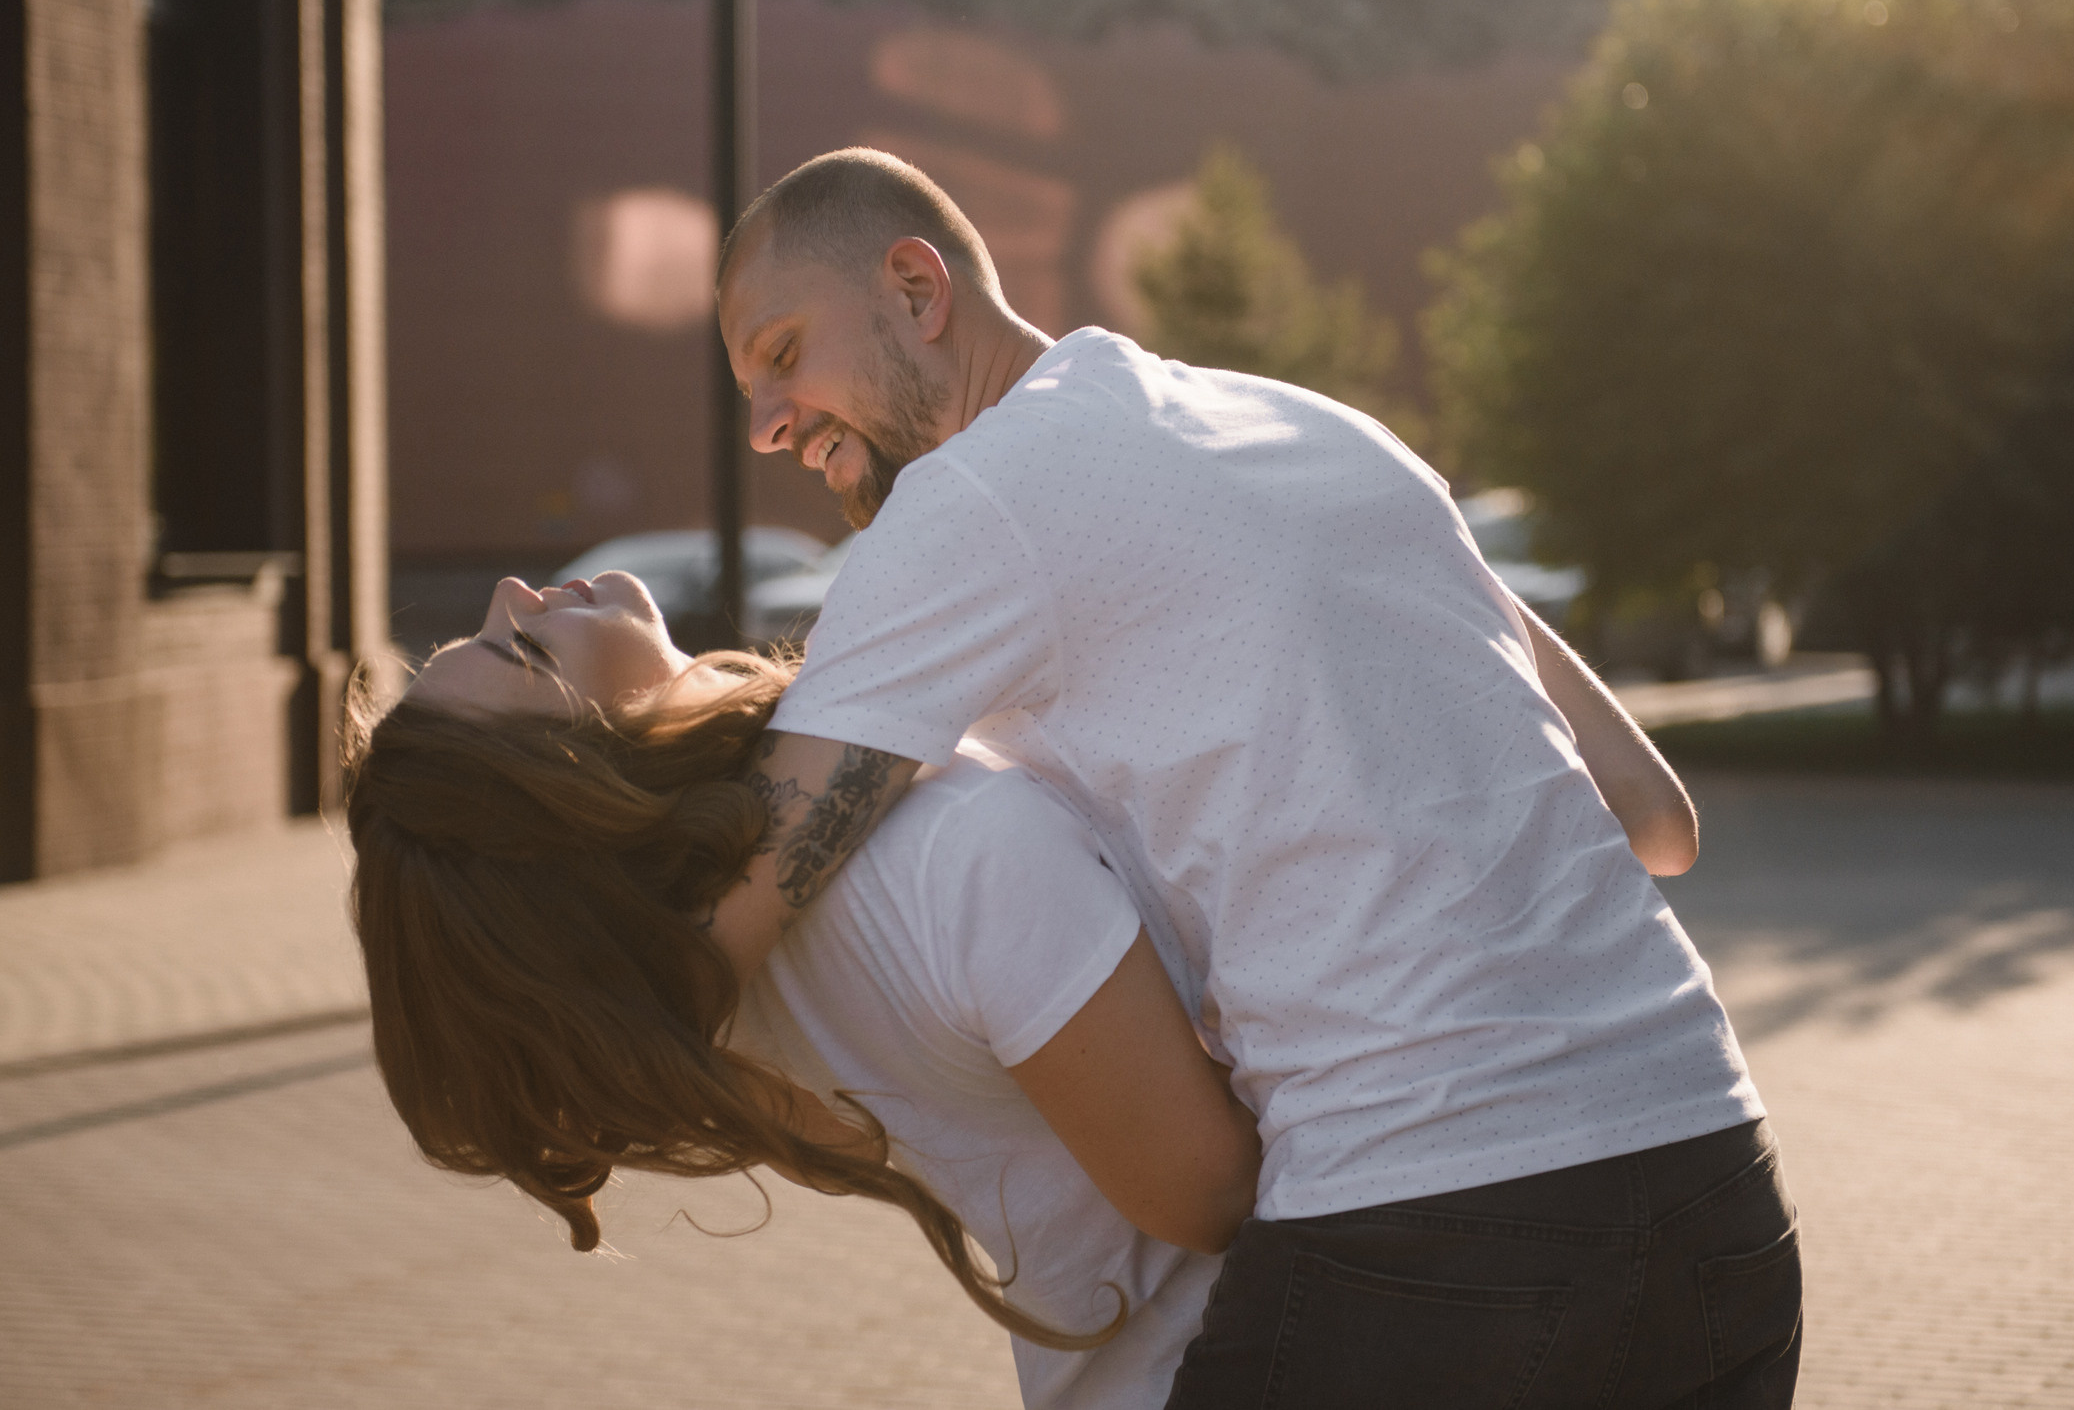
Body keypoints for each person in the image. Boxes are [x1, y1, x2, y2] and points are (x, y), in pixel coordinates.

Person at [704, 147, 1802, 1407]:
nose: (767, 423)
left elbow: (737, 900)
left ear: (916, 286)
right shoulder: (1325, 428)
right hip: (1716, 1185)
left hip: (1429, 1222)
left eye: (783, 353)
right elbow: (1654, 817)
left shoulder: (968, 501)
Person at [343, 570, 1260, 1409]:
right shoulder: (952, 852)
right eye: (526, 651)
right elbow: (1211, 1192)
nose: (510, 590)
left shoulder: (740, 967)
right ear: (582, 782)